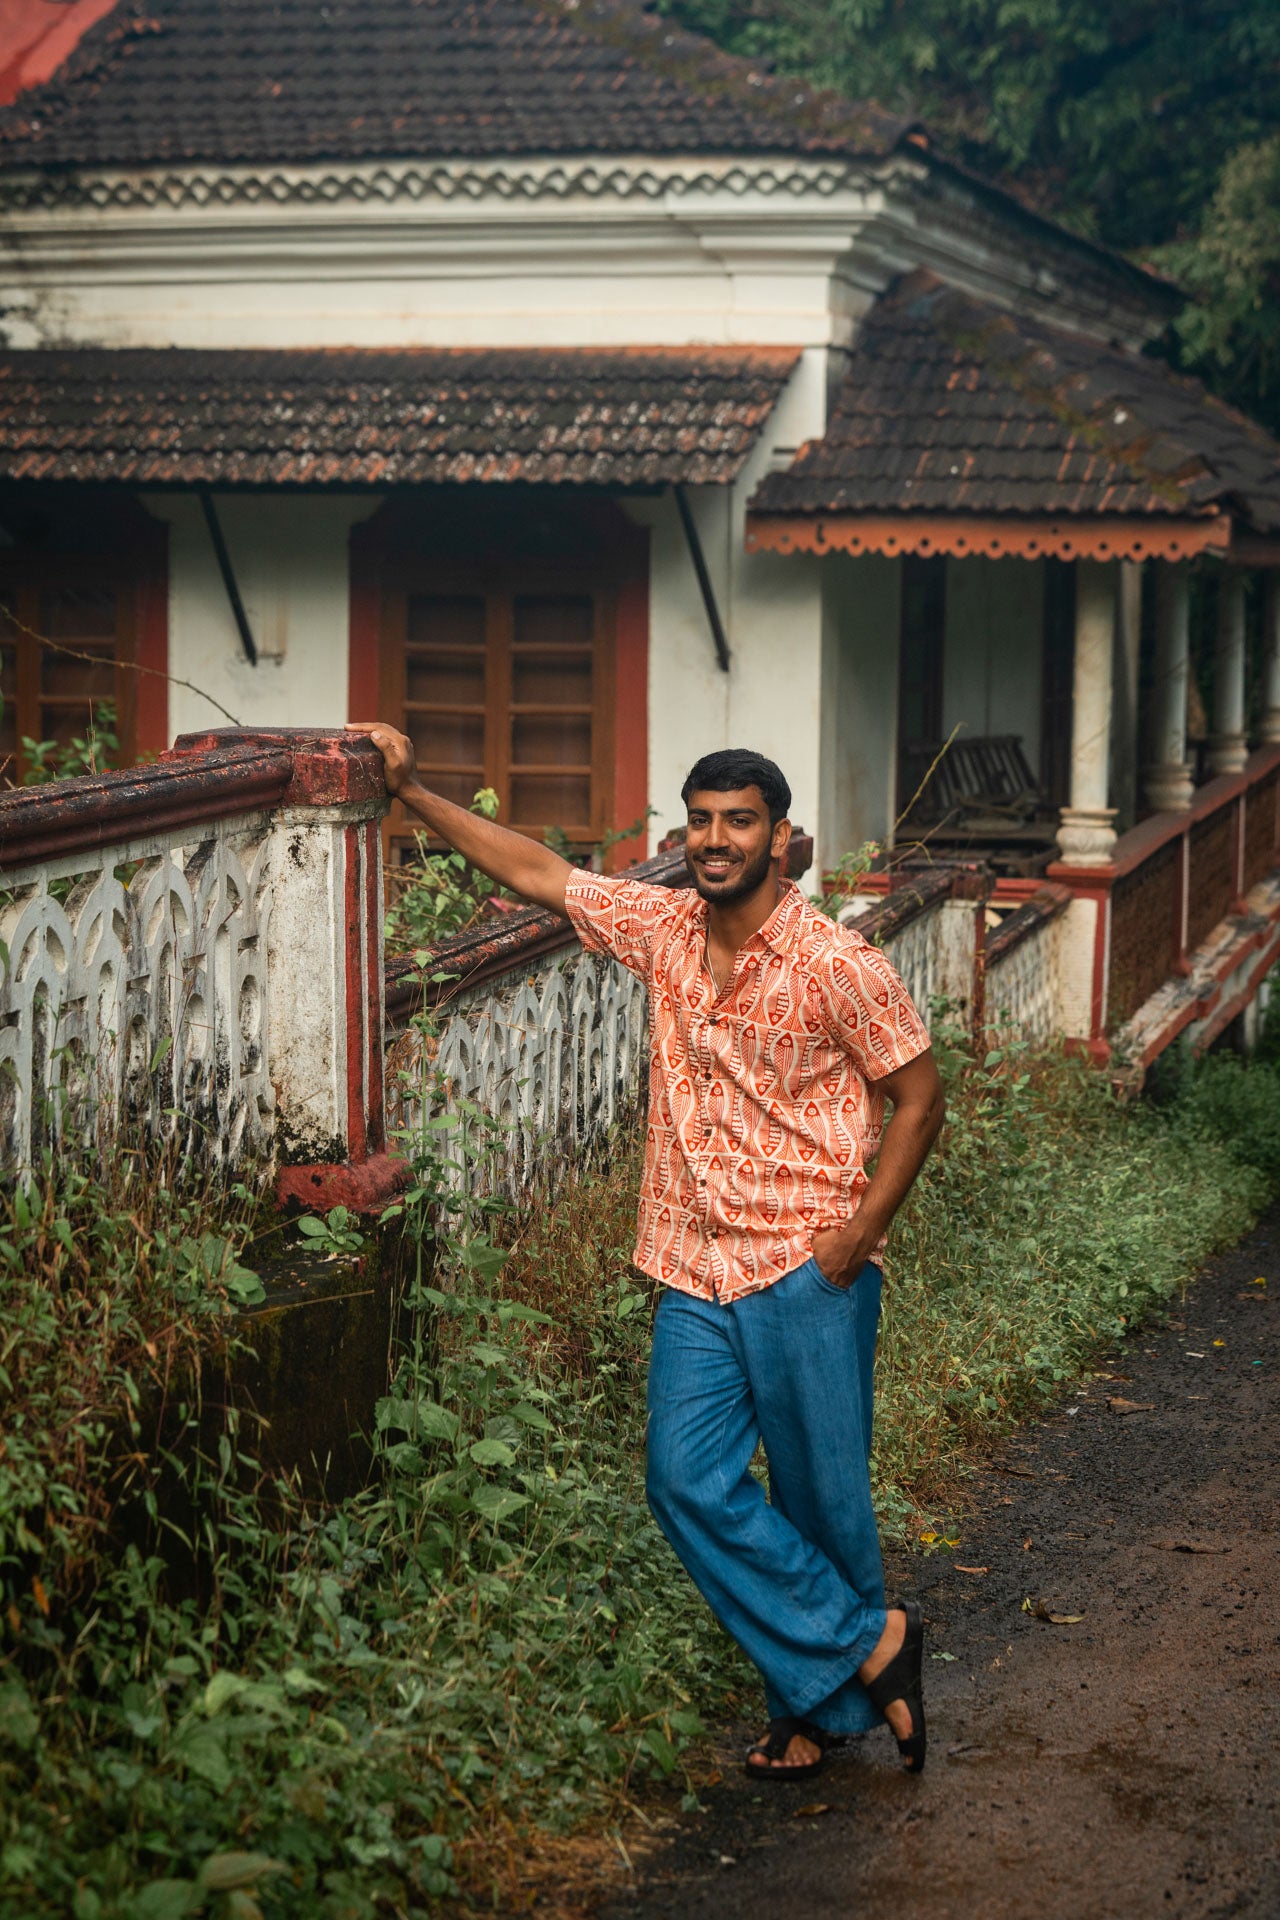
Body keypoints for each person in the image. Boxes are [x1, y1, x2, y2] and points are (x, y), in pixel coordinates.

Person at [351, 726, 945, 1779]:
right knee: (683, 1481)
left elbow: (916, 1095)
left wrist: (855, 1233)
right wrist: (410, 793)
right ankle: (866, 1646)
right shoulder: (662, 928)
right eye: (702, 821)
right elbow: (538, 871)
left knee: (820, 1496)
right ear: (687, 833)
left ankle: (809, 1715)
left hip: (808, 1266)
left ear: (780, 837)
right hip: (689, 1267)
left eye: (740, 823)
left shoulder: (835, 964)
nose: (717, 841)